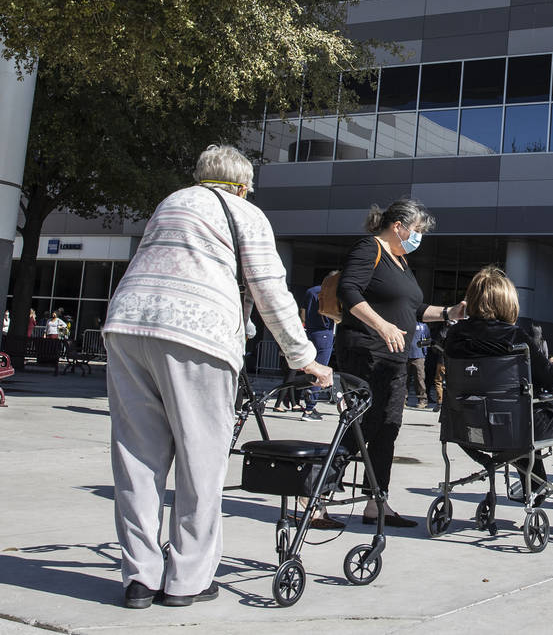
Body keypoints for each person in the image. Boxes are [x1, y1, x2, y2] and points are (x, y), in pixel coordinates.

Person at [102, 144, 333, 609]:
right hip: (197, 334)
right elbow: (270, 290)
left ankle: (139, 579)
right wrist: (304, 356)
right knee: (201, 459)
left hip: (127, 325)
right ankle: (187, 580)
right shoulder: (246, 214)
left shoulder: (172, 202)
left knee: (136, 459)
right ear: (243, 186)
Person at [335, 198, 467, 528]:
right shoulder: (370, 249)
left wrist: (451, 312)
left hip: (394, 361)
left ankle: (376, 503)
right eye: (417, 231)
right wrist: (382, 324)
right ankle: (313, 496)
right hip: (367, 352)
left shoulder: (400, 261)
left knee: (387, 430)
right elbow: (348, 290)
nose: (418, 238)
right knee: (361, 426)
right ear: (398, 226)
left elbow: (415, 309)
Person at [443, 267, 553, 503]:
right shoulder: (514, 336)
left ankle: (534, 485)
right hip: (510, 424)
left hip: (466, 422)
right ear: (507, 301)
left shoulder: (453, 336)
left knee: (516, 419)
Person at [299, 280, 336, 420]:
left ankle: (306, 402)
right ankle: (309, 409)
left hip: (310, 331)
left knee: (311, 369)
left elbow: (302, 312)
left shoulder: (310, 291)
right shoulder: (330, 293)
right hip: (324, 332)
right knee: (320, 371)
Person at [406, 320, 431, 408]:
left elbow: (428, 339)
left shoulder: (423, 325)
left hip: (419, 355)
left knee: (420, 379)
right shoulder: (406, 321)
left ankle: (422, 400)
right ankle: (403, 399)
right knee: (405, 378)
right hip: (406, 354)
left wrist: (424, 353)